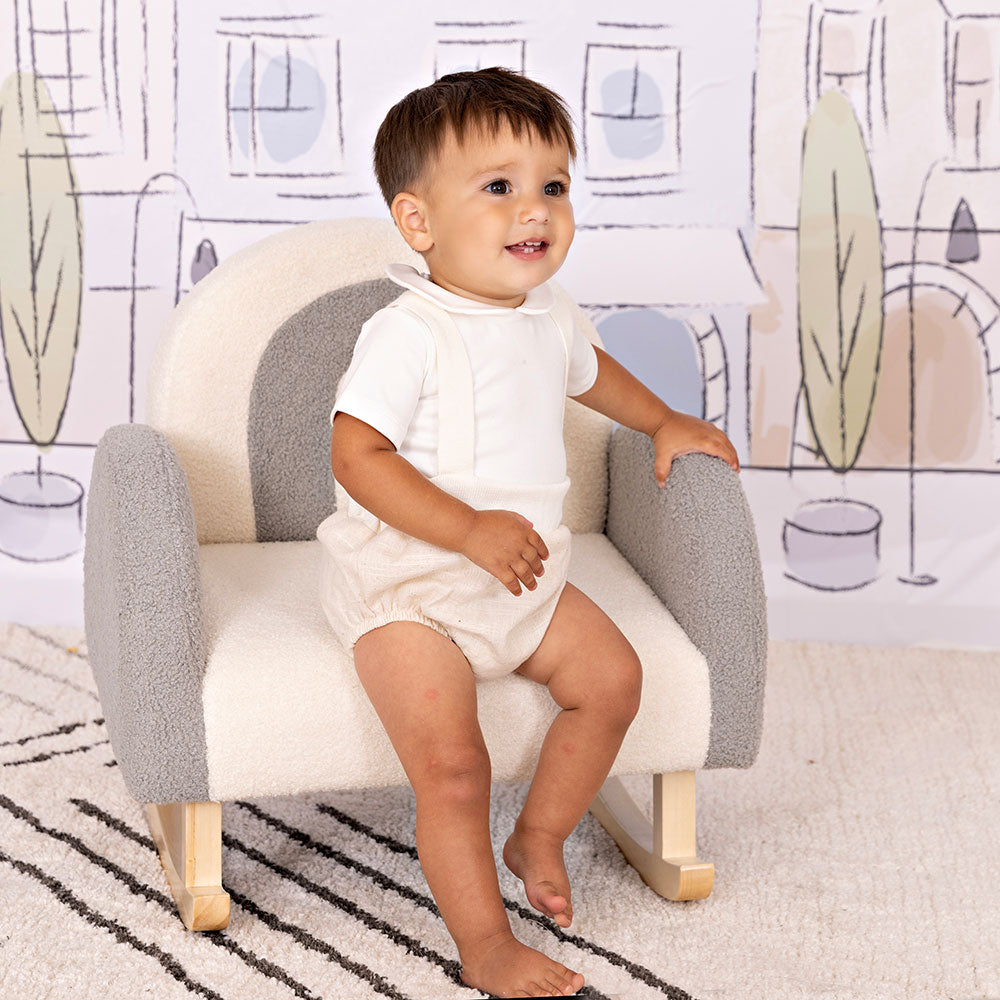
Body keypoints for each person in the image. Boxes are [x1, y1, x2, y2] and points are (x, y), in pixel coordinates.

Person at [318, 67, 739, 998]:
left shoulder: (550, 314)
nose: (535, 208)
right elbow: (357, 457)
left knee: (613, 679)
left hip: (520, 573)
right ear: (418, 221)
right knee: (452, 765)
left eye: (553, 184)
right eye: (499, 186)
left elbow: (597, 375)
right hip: (411, 587)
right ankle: (485, 943)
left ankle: (540, 832)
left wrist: (664, 421)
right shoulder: (407, 331)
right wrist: (467, 528)